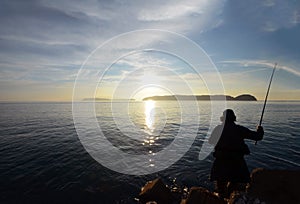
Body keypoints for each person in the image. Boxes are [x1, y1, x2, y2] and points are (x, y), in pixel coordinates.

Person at [208, 109, 264, 198]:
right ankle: (231, 197)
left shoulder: (218, 129)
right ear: (234, 118)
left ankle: (222, 198)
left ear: (222, 118)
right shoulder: (239, 129)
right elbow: (258, 137)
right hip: (237, 163)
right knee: (237, 185)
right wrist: (259, 129)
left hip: (220, 162)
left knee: (221, 188)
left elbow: (210, 141)